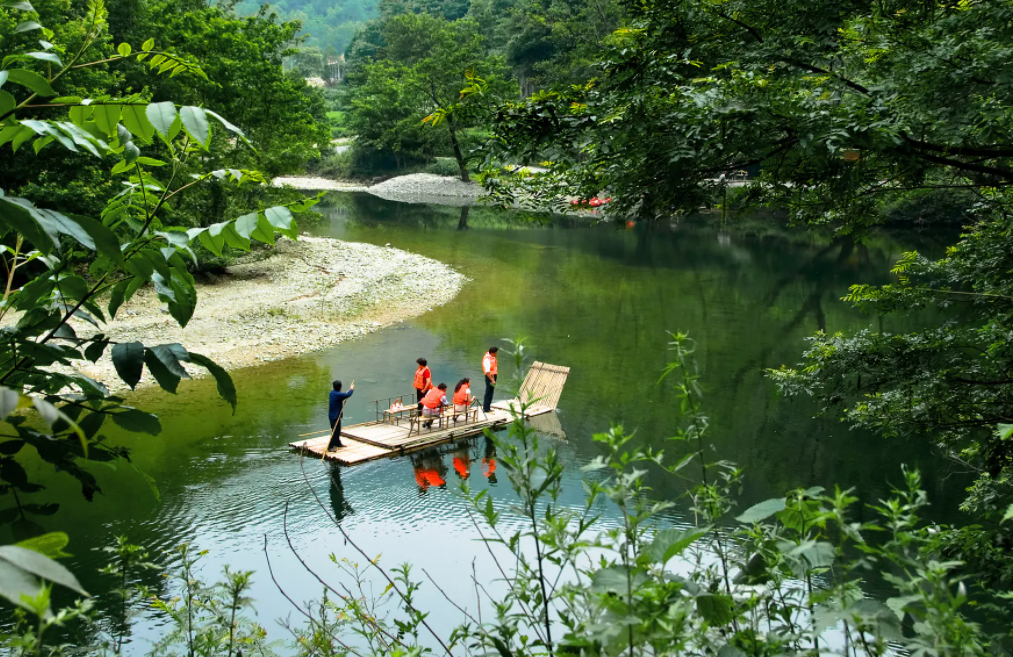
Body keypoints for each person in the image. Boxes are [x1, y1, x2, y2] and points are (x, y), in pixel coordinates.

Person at [327, 379, 354, 451]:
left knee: (338, 430)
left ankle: (337, 443)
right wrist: (351, 388)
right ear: (340, 387)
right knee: (335, 431)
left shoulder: (332, 393)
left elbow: (343, 396)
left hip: (333, 415)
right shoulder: (338, 395)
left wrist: (346, 393)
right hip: (334, 416)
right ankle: (330, 447)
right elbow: (347, 395)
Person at [482, 346, 499, 413]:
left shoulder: (491, 357)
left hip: (492, 375)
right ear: (492, 353)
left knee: (490, 392)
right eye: (495, 353)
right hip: (490, 377)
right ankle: (486, 409)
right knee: (488, 392)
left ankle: (488, 407)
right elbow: (487, 372)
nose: (496, 354)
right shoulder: (487, 359)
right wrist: (492, 380)